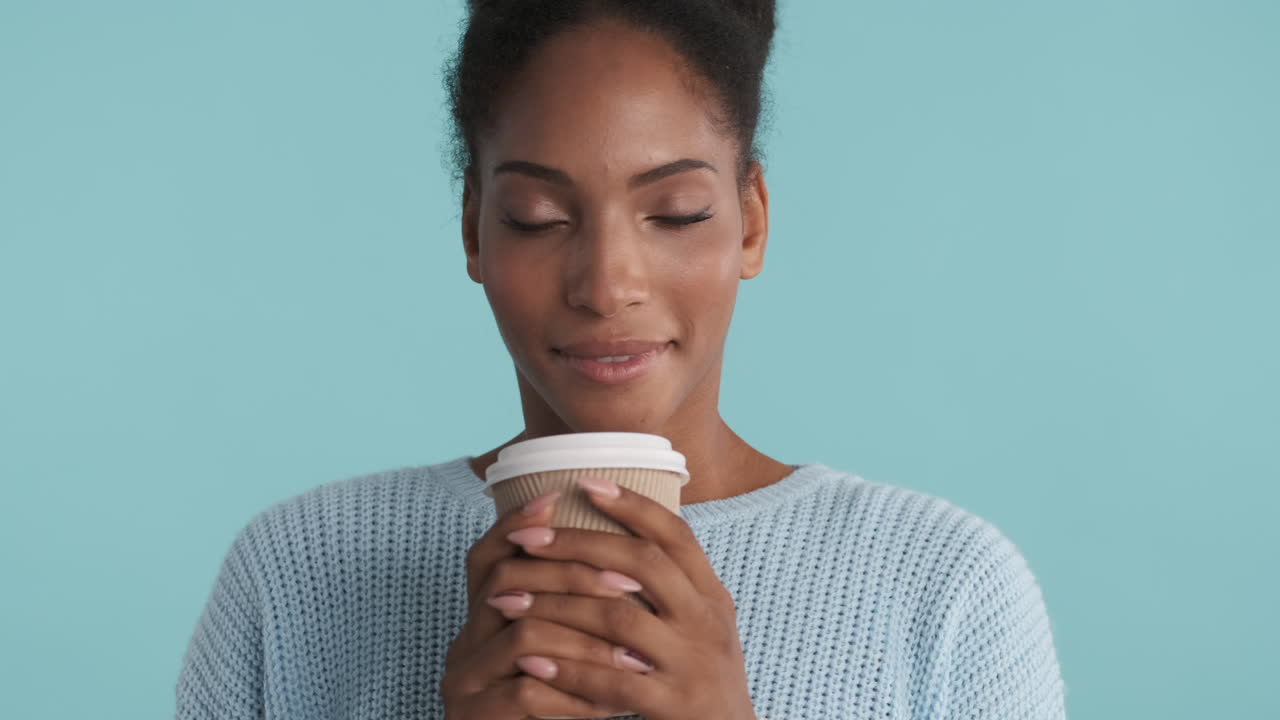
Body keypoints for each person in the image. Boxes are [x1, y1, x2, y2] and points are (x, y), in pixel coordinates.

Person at [176, 1, 1067, 719]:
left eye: (676, 211)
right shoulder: (295, 575)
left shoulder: (945, 591)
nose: (606, 285)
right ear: (472, 229)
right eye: (536, 217)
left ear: (751, 221)